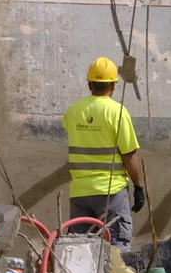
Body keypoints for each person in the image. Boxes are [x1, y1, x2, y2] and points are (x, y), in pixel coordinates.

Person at [63, 56, 146, 247]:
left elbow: (70, 130)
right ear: (113, 85)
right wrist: (138, 186)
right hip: (111, 191)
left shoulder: (73, 111)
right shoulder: (117, 111)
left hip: (80, 192)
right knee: (115, 244)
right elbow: (129, 154)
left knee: (79, 247)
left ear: (89, 84)